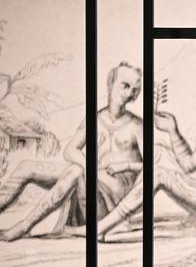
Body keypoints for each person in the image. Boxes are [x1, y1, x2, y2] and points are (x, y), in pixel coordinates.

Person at [97, 70, 196, 240]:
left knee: (159, 174)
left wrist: (172, 130)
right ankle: (121, 221)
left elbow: (189, 166)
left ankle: (102, 227)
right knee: (160, 152)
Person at [0, 62, 144, 241]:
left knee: (76, 171)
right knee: (26, 166)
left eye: (135, 89)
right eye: (125, 85)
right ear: (111, 83)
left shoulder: (137, 125)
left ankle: (23, 226)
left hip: (113, 205)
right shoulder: (96, 118)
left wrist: (124, 166)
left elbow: (153, 166)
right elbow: (69, 150)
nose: (130, 93)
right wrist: (89, 166)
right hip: (90, 186)